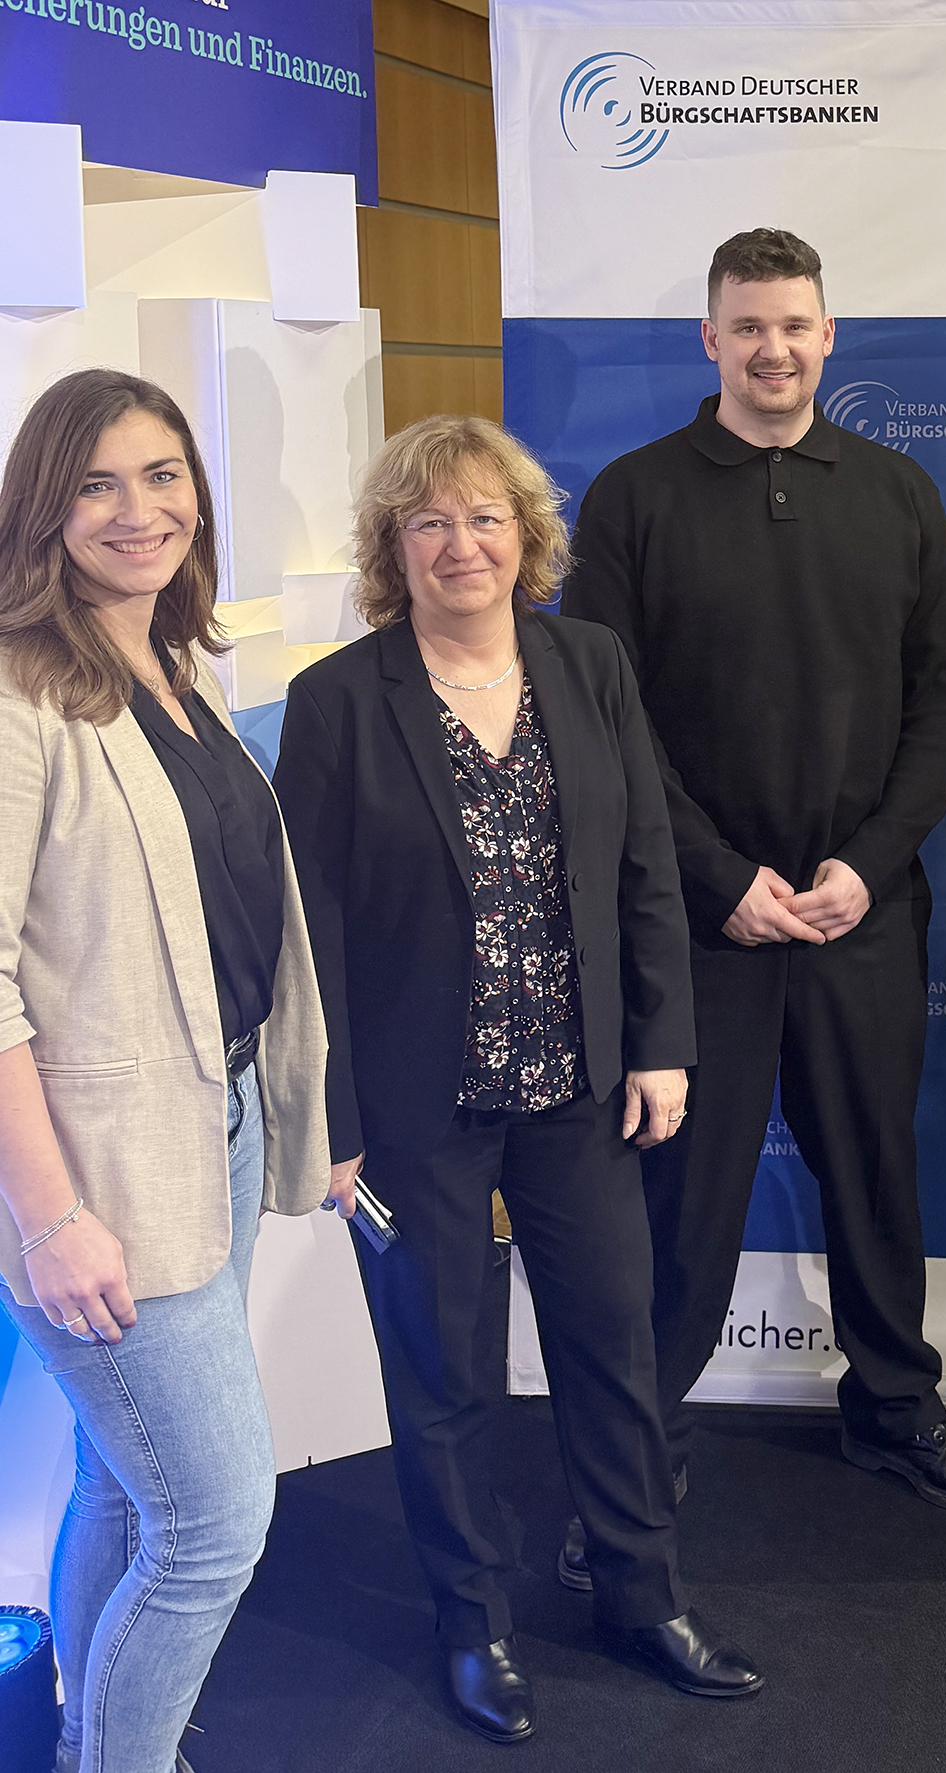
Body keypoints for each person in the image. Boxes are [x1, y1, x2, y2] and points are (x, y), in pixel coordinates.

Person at [272, 415, 761, 1740]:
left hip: (579, 1089)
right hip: (415, 1107)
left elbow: (644, 860)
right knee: (444, 1373)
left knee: (614, 1346)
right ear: (391, 547)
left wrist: (661, 1040)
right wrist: (331, 1117)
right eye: (428, 521)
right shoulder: (336, 701)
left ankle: (642, 1595)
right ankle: (473, 1622)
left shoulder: (587, 663)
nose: (461, 544)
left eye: (485, 516)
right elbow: (311, 929)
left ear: (526, 535)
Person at [559, 226, 946, 1547]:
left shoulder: (896, 493)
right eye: (747, 326)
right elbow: (610, 723)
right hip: (698, 927)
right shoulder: (633, 499)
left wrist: (868, 866)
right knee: (681, 1202)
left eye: (794, 324)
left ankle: (894, 1405)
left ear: (828, 335)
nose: (773, 348)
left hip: (860, 914)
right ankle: (637, 1450)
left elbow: (940, 703)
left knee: (874, 1177)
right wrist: (718, 879)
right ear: (710, 339)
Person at [0, 368, 333, 1773]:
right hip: (102, 1172)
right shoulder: (18, 690)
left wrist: (298, 1108)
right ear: (42, 508)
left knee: (124, 1490)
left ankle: (90, 1742)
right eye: (95, 484)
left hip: (217, 1121)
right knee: (211, 1525)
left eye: (161, 475)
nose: (138, 511)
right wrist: (49, 1217)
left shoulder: (174, 669)